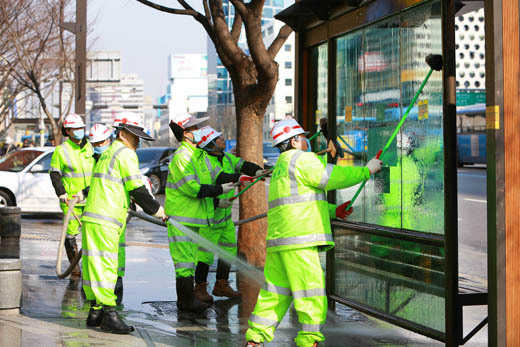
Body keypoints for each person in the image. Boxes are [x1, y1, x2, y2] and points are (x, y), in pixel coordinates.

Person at [245, 117, 382, 347]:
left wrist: (333, 210)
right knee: (311, 291)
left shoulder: (281, 166)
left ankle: (255, 339)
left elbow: (301, 201)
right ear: (295, 140)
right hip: (300, 241)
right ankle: (309, 341)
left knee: (275, 293)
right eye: (304, 138)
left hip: (281, 241)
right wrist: (367, 171)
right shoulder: (301, 159)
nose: (307, 141)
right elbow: (332, 177)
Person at [81, 113, 167, 334]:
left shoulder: (108, 153)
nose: (138, 141)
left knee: (93, 267)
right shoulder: (126, 154)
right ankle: (110, 315)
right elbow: (137, 189)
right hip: (106, 220)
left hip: (93, 217)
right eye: (135, 136)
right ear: (122, 134)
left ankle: (95, 312)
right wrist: (158, 211)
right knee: (107, 268)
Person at [166, 113, 238, 312]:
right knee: (184, 263)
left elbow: (216, 176)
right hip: (182, 219)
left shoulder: (196, 156)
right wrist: (219, 191)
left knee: (188, 262)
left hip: (192, 219)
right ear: (186, 133)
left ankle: (186, 300)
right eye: (195, 129)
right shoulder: (183, 157)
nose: (199, 132)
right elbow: (193, 188)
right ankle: (188, 302)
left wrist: (240, 177)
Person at [194, 126, 268, 303]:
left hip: (225, 216)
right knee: (205, 255)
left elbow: (242, 164)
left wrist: (257, 171)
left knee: (228, 251)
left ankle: (221, 285)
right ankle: (200, 288)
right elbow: (221, 178)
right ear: (211, 144)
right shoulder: (204, 161)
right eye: (218, 139)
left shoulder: (225, 157)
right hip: (210, 217)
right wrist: (238, 178)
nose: (222, 140)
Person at [50, 114, 94, 277]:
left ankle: (91, 265)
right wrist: (61, 193)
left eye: (81, 128)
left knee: (92, 233)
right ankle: (74, 267)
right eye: (75, 129)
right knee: (70, 235)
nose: (79, 131)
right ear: (67, 131)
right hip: (71, 201)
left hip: (91, 198)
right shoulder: (61, 151)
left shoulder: (91, 148)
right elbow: (55, 174)